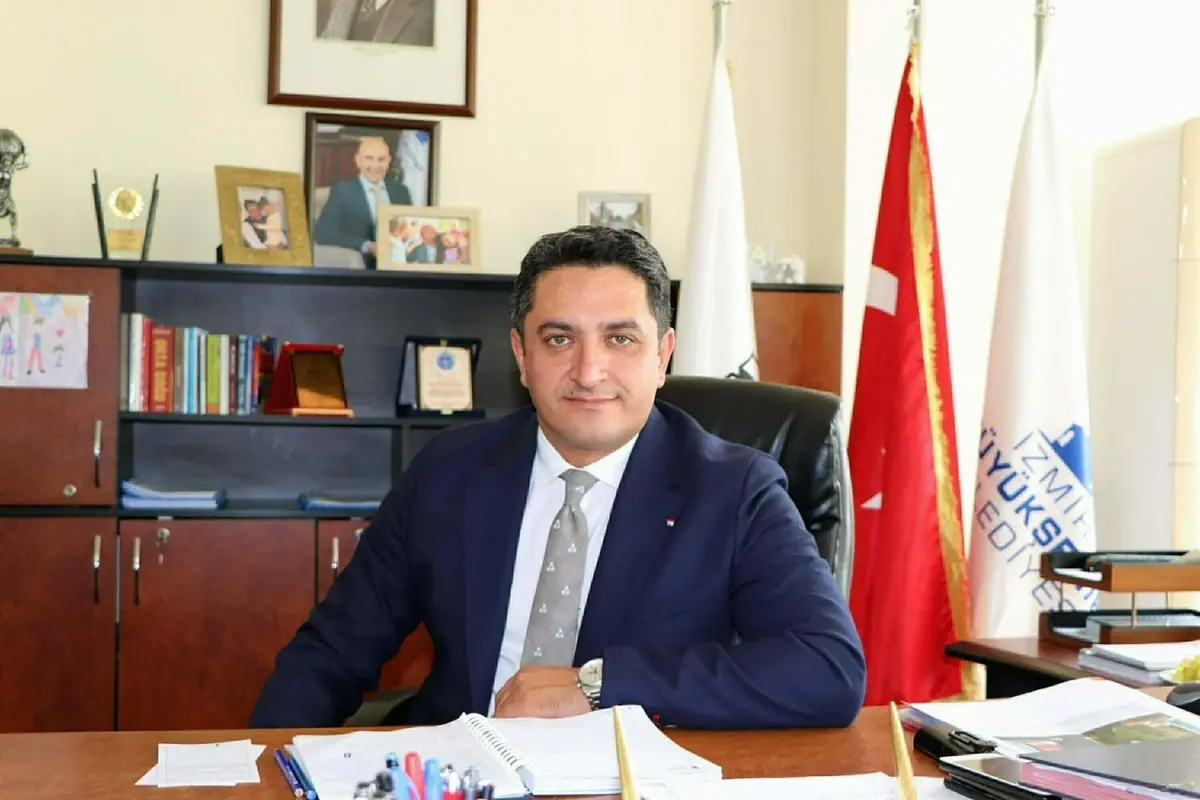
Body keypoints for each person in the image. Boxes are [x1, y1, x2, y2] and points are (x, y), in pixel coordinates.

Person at [250, 226, 866, 730]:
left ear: (662, 355)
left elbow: (827, 669)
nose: (588, 370)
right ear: (522, 356)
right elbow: (331, 652)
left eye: (619, 338)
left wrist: (600, 685)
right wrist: (261, 770)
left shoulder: (735, 491)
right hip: (465, 772)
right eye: (558, 339)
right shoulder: (450, 471)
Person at [312, 136, 412, 269]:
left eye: (381, 159)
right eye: (369, 158)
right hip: (361, 265)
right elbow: (323, 233)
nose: (375, 165)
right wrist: (366, 245)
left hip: (398, 265)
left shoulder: (401, 192)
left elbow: (408, 229)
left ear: (388, 162)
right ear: (358, 160)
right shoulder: (343, 190)